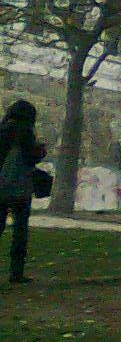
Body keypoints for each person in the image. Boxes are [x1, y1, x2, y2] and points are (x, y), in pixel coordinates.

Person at [0, 100, 46, 284]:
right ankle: (16, 273)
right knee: (20, 231)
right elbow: (31, 157)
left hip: (0, 186)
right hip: (20, 188)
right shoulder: (25, 132)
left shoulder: (3, 130)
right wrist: (41, 151)